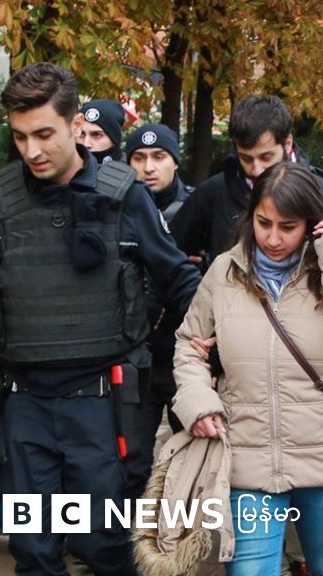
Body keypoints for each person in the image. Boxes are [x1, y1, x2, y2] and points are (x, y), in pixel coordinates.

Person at [0, 62, 201, 575]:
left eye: (43, 134)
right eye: (20, 136)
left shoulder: (125, 195)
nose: (31, 150)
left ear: (75, 125)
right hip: (23, 404)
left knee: (104, 547)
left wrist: (201, 365)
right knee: (34, 552)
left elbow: (182, 283)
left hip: (104, 404)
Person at [173, 163, 323, 575]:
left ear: (310, 222)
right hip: (248, 457)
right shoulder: (225, 272)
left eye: (288, 227)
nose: (273, 239)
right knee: (250, 571)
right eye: (264, 223)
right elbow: (189, 343)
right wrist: (198, 401)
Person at [170, 94, 323, 270]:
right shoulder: (214, 192)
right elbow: (171, 254)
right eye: (246, 158)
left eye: (266, 157)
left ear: (287, 144)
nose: (256, 169)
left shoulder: (320, 191)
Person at [122, 122, 196, 499]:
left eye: (159, 156)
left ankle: (182, 530)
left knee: (191, 460)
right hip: (136, 357)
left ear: (175, 161)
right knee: (131, 461)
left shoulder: (197, 208)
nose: (148, 167)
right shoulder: (118, 208)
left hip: (184, 356)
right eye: (138, 157)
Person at [77, 98, 125, 164]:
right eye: (81, 134)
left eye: (97, 135)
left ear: (114, 140)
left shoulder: (130, 168)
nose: (86, 144)